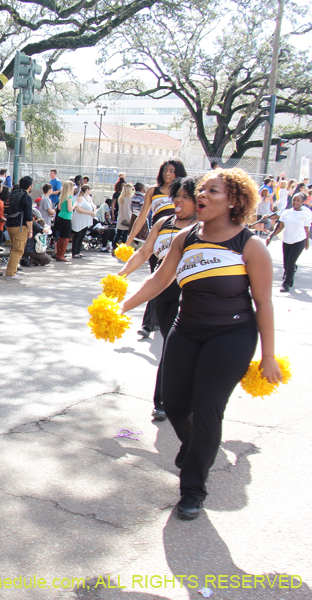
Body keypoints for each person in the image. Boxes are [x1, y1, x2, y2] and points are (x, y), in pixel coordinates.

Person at [121, 168, 281, 521]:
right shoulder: (186, 238)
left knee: (208, 407)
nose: (202, 196)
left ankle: (193, 487)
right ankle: (197, 449)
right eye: (201, 190)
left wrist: (268, 356)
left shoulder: (250, 246)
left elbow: (264, 304)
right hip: (187, 328)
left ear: (235, 201)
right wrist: (122, 307)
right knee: (176, 405)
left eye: (213, 191)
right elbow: (160, 278)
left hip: (232, 336)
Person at [118, 177, 197, 421]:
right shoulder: (163, 222)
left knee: (174, 347)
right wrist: (120, 276)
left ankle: (163, 401)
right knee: (170, 348)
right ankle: (171, 398)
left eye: (185, 197)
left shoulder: (201, 226)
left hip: (187, 294)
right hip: (162, 293)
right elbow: (144, 252)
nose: (179, 201)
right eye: (177, 196)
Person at [128, 160, 187, 338]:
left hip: (179, 240)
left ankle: (163, 321)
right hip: (158, 241)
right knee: (156, 278)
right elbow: (142, 216)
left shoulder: (183, 191)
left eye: (172, 171)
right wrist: (129, 240)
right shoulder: (153, 191)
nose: (168, 174)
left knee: (175, 282)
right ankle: (149, 323)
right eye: (165, 170)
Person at [268, 193, 311, 292]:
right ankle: (290, 275)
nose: (295, 202)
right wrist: (271, 235)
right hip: (287, 240)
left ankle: (286, 283)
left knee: (290, 261)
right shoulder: (287, 212)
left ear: (302, 202)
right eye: (294, 200)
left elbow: (306, 229)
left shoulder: (306, 214)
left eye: (298, 200)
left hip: (299, 240)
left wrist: (307, 242)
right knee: (286, 262)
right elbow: (280, 227)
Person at [4, 176, 35, 278]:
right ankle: (11, 273)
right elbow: (28, 216)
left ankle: (12, 269)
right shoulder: (26, 197)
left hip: (9, 224)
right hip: (20, 226)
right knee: (18, 250)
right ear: (29, 186)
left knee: (14, 248)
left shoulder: (12, 194)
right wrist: (30, 230)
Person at [71, 184, 96, 259]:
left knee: (82, 236)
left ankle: (78, 251)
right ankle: (75, 252)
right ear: (87, 190)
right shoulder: (80, 198)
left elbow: (93, 206)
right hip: (79, 220)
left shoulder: (89, 198)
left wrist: (93, 211)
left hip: (86, 220)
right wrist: (89, 213)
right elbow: (78, 208)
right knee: (78, 235)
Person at [54, 181, 74, 262]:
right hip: (66, 218)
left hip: (60, 217)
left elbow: (59, 208)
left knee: (61, 236)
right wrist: (75, 205)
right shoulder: (69, 197)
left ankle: (58, 253)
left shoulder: (62, 196)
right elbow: (70, 209)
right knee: (66, 237)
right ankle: (61, 254)